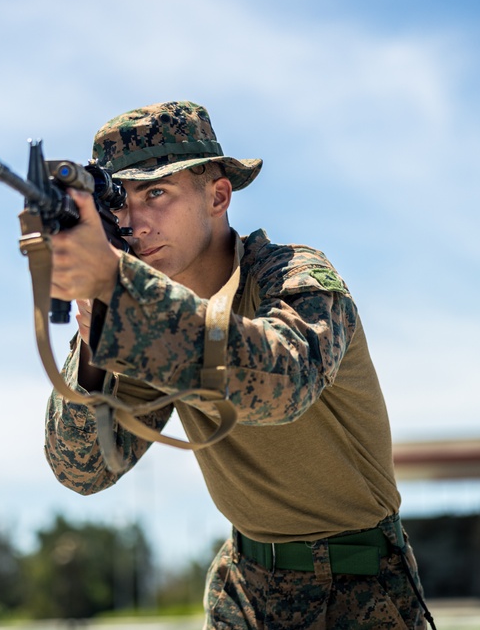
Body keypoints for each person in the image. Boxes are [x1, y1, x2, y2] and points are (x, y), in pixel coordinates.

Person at [43, 100, 429, 629]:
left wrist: (128, 302)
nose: (133, 222)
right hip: (244, 587)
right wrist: (95, 344)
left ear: (218, 195)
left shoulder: (296, 277)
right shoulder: (145, 315)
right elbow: (83, 467)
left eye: (156, 192)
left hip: (357, 587)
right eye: (119, 203)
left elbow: (283, 386)